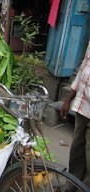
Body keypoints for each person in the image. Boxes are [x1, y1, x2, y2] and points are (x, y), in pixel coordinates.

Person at [60, 40, 90, 191]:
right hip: (83, 108)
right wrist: (68, 99)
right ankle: (72, 185)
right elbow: (83, 71)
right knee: (77, 152)